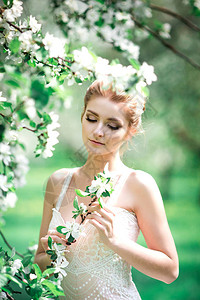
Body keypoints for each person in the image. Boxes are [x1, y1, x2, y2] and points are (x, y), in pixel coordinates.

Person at [34, 80, 179, 299]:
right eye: (91, 119)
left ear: (131, 130)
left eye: (112, 125)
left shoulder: (139, 184)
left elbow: (170, 271)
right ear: (82, 115)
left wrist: (116, 242)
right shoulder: (58, 181)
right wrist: (53, 254)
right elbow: (39, 262)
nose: (98, 132)